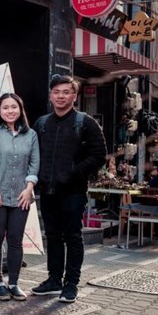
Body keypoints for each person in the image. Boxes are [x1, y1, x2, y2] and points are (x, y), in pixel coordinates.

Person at [31, 74, 107, 303]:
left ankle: (71, 284)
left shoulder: (85, 122)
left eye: (66, 92)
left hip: (73, 191)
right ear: (50, 96)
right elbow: (33, 154)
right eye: (56, 92)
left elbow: (99, 155)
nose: (61, 96)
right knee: (53, 236)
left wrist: (75, 172)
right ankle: (54, 280)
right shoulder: (42, 123)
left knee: (73, 237)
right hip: (48, 190)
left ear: (75, 96)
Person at [0, 93, 39, 301]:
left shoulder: (31, 135)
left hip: (21, 196)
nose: (10, 111)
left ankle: (13, 283)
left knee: (16, 240)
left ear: (20, 110)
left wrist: (29, 188)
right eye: (5, 107)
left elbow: (34, 163)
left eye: (14, 107)